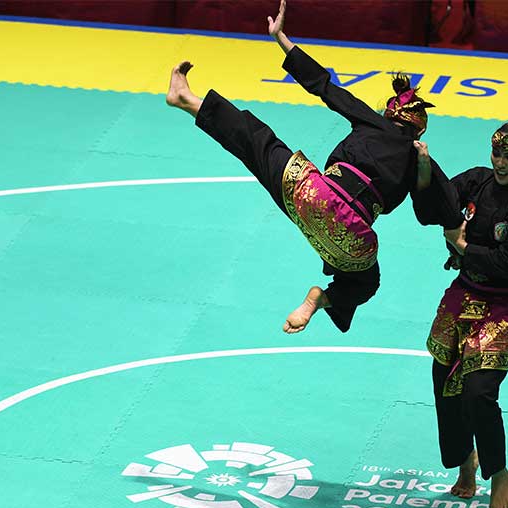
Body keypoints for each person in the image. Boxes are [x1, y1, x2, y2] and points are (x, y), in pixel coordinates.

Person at [166, 0, 463, 334]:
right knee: (368, 282)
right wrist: (458, 240)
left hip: (309, 195)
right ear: (419, 130)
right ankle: (319, 299)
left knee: (256, 141)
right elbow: (438, 210)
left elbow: (323, 86)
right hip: (352, 241)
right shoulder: (420, 157)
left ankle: (187, 100)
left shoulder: (372, 123)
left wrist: (281, 38)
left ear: (388, 116)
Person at [417, 120, 508, 508]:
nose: (501, 164)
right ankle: (464, 460)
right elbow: (435, 205)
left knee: (478, 391)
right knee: (444, 380)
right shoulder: (476, 181)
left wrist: (461, 244)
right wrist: (423, 167)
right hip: (463, 293)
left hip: (504, 305)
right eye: (497, 154)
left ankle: (500, 471)